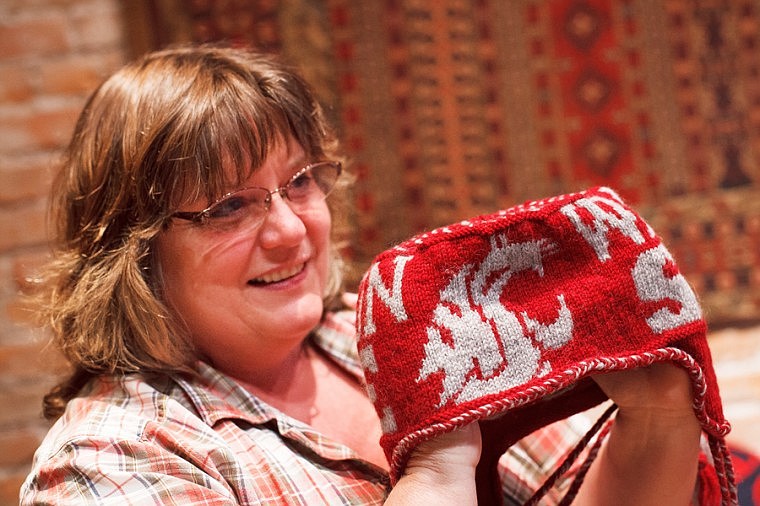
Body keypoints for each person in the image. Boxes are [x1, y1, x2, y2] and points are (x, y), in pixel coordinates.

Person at [20, 45, 707, 505]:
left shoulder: (385, 334)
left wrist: (657, 417)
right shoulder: (108, 459)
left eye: (299, 182)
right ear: (133, 253)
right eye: (229, 206)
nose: (291, 229)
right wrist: (435, 475)